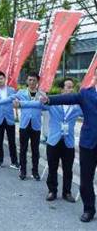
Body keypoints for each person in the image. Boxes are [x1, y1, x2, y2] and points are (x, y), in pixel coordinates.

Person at [41, 68, 97, 223]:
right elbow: (69, 98)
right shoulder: (86, 93)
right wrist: (49, 100)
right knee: (86, 180)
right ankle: (89, 209)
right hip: (88, 144)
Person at [16, 78, 81, 204]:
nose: (70, 89)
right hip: (53, 141)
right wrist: (21, 104)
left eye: (72, 87)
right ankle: (52, 191)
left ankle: (67, 192)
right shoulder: (53, 102)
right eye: (68, 87)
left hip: (68, 142)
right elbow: (37, 104)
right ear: (62, 89)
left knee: (68, 168)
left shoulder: (77, 105)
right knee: (53, 167)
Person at [0, 72, 44, 180]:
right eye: (30, 80)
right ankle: (23, 171)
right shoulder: (21, 92)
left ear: (37, 81)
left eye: (34, 80)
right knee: (23, 149)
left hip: (36, 126)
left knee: (35, 150)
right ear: (27, 81)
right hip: (24, 125)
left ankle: (35, 172)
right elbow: (9, 99)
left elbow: (43, 105)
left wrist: (22, 104)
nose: (32, 82)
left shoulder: (42, 95)